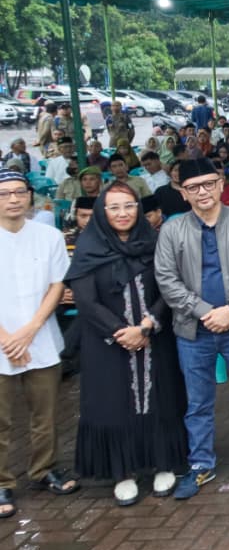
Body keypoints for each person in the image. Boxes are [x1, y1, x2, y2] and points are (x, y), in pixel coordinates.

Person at [154, 158, 229, 499]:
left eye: (209, 184)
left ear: (222, 185)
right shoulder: (172, 230)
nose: (202, 192)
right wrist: (208, 312)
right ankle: (201, 464)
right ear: (182, 192)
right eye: (193, 187)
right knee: (198, 402)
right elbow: (166, 280)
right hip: (194, 331)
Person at [66, 181, 187, 506]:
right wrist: (122, 331)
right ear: (103, 212)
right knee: (113, 404)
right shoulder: (89, 247)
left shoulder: (153, 242)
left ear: (140, 210)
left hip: (155, 338)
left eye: (129, 206)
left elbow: (169, 288)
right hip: (107, 344)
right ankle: (123, 472)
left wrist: (147, 326)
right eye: (115, 207)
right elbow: (86, 301)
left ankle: (164, 464)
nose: (123, 213)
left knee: (160, 399)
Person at [0, 169, 79, 518]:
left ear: (30, 196)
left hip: (41, 337)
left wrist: (29, 330)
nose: (13, 199)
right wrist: (8, 339)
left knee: (44, 415)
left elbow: (57, 286)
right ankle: (2, 483)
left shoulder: (49, 236)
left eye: (19, 192)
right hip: (2, 342)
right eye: (5, 193)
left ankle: (43, 470)